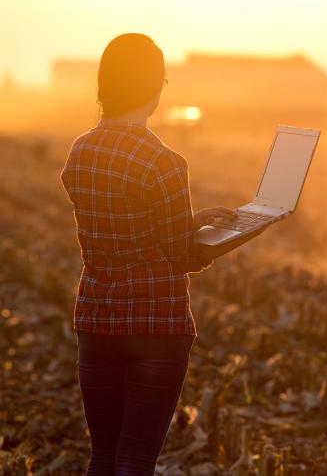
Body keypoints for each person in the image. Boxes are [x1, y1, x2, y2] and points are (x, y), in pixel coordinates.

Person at [60, 33, 237, 475]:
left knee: (103, 456)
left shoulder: (80, 152)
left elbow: (125, 223)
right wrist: (224, 238)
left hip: (96, 320)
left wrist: (193, 221)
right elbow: (179, 255)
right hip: (156, 325)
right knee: (136, 460)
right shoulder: (165, 162)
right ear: (156, 87)